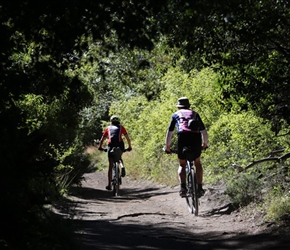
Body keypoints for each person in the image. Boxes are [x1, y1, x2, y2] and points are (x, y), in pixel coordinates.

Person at [164, 97, 208, 197]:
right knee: (197, 162)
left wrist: (168, 146)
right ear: (189, 106)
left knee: (182, 164)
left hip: (182, 137)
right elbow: (204, 131)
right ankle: (200, 187)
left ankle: (183, 188)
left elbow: (170, 132)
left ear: (179, 107)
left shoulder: (176, 114)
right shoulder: (195, 114)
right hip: (196, 137)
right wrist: (205, 144)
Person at [98, 115, 132, 191]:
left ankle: (109, 185)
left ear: (111, 121)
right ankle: (122, 166)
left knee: (111, 165)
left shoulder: (108, 128)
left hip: (111, 145)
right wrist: (129, 147)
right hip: (120, 145)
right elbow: (128, 138)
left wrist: (100, 147)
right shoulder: (121, 127)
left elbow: (102, 139)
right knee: (119, 157)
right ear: (118, 121)